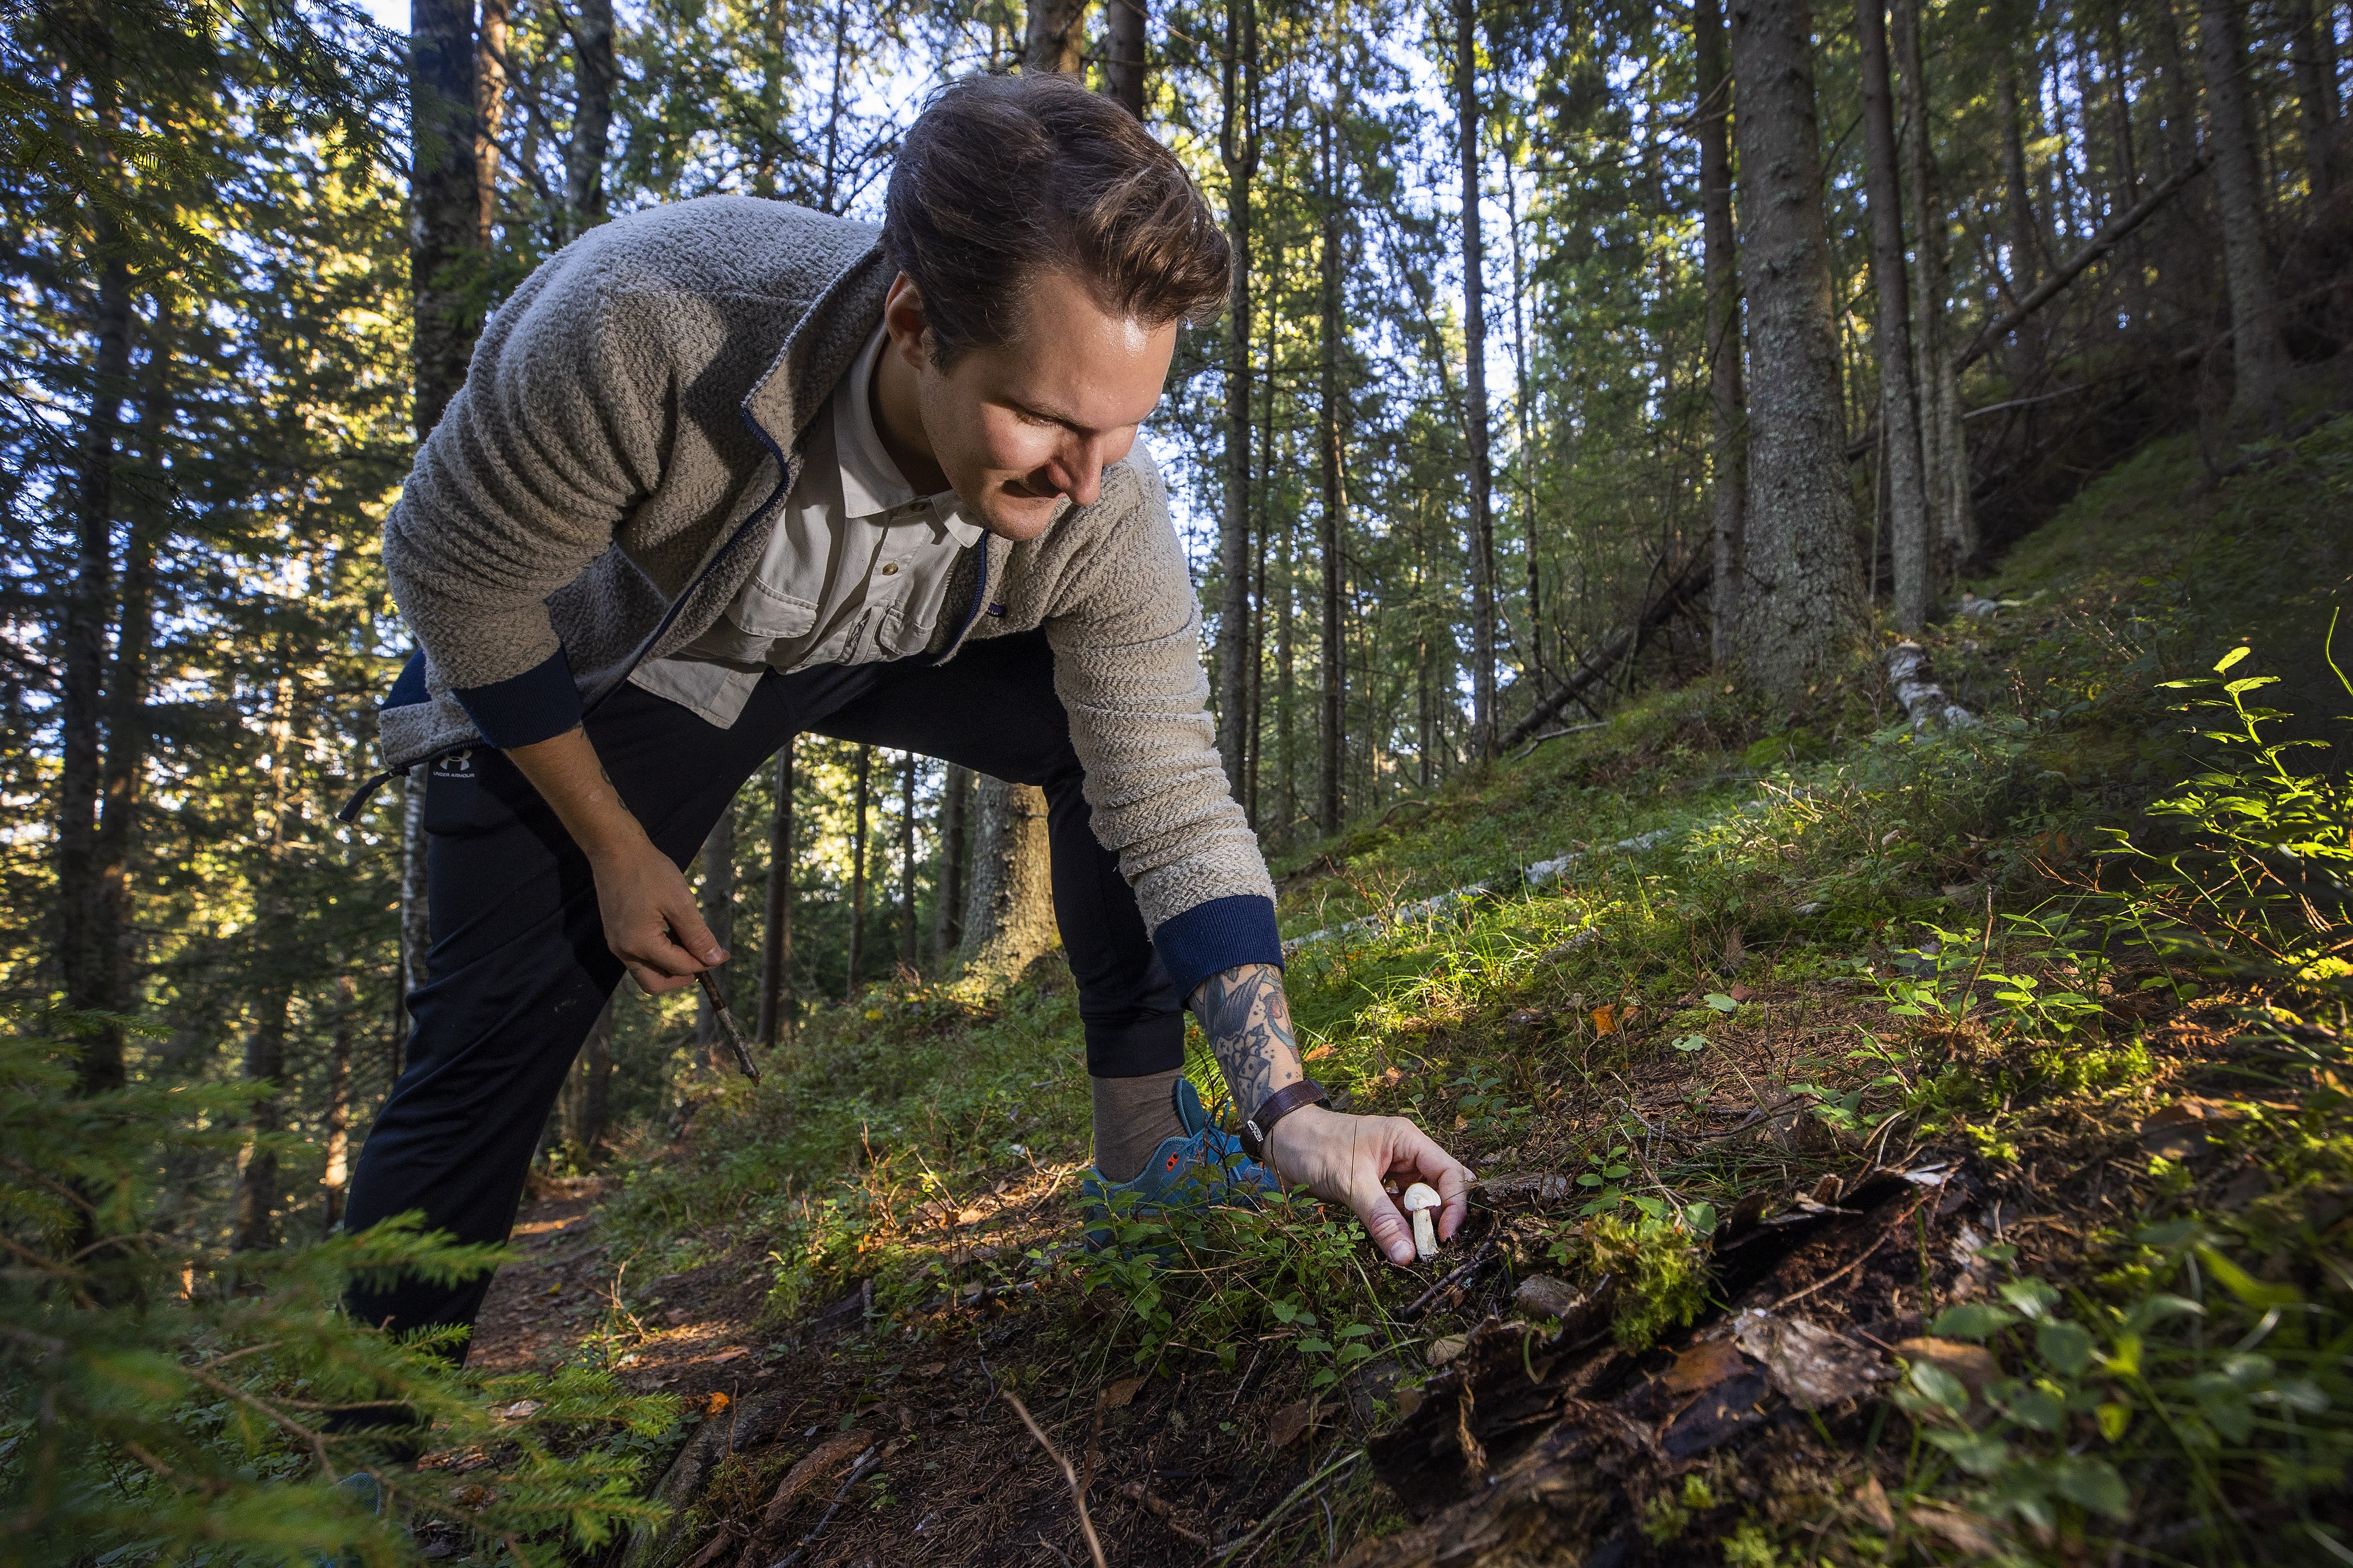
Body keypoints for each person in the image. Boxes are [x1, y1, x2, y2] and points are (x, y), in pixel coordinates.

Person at [341, 72, 1470, 1348]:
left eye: (1121, 430)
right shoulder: (646, 321)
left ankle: (1147, 1156)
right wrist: (613, 845)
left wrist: (1289, 1109)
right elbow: (456, 575)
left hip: (869, 641)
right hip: (601, 670)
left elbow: (1169, 794)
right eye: (1042, 418)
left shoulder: (1103, 502)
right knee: (487, 1052)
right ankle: (356, 1433)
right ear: (916, 322)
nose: (1087, 482)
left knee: (1102, 736)